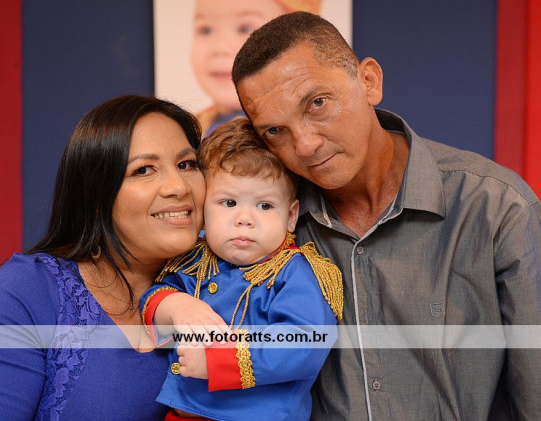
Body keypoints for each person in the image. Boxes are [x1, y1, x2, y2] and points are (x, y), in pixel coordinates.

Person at [231, 11, 541, 421]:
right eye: (275, 131)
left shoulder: (496, 206)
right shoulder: (265, 229)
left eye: (317, 103)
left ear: (369, 81)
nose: (304, 145)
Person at [0, 95, 206, 420]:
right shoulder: (29, 291)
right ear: (95, 197)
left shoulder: (235, 289)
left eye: (186, 164)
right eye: (143, 170)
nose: (178, 186)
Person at [139, 117, 343, 421]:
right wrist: (175, 306)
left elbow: (304, 342)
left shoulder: (295, 272)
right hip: (184, 414)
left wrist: (218, 360)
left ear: (290, 217)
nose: (244, 218)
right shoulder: (194, 262)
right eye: (229, 203)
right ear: (204, 209)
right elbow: (154, 297)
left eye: (264, 206)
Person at [190, 0, 321, 136]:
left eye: (245, 29)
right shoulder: (192, 128)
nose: (219, 47)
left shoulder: (304, 129)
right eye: (206, 30)